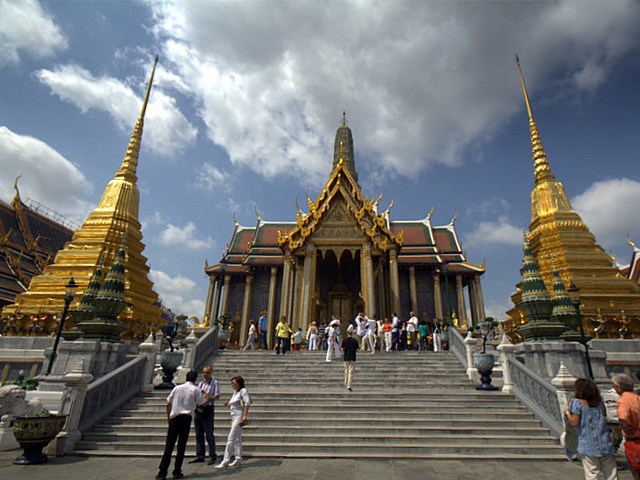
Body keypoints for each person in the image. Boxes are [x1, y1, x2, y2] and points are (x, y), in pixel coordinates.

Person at [564, 378, 618, 480]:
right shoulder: (600, 403)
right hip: (604, 442)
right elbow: (604, 415)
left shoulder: (577, 403)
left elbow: (574, 422)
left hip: (588, 442)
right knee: (611, 474)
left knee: (592, 474)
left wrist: (567, 412)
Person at [157, 370, 206, 480]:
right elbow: (203, 403)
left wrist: (169, 417)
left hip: (174, 418)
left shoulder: (177, 388)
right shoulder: (195, 389)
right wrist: (205, 395)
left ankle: (162, 472)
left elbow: (168, 402)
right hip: (185, 419)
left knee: (169, 446)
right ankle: (177, 471)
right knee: (181, 446)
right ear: (195, 379)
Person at [216, 376, 251, 469]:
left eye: (233, 383)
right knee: (237, 438)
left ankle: (225, 461)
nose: (232, 385)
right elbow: (235, 406)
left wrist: (244, 415)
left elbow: (247, 403)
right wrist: (228, 404)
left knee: (231, 438)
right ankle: (238, 458)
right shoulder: (235, 393)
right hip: (234, 416)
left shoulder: (243, 391)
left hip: (239, 417)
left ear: (238, 383)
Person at [189, 365, 220, 466]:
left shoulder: (215, 383)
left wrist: (207, 398)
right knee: (199, 433)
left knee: (209, 433)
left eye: (207, 372)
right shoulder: (201, 383)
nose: (205, 374)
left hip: (208, 409)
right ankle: (200, 454)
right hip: (199, 409)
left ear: (211, 373)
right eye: (204, 372)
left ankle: (212, 455)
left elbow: (217, 396)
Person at [613, 373, 640, 479]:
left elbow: (623, 417)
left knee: (636, 470)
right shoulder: (637, 398)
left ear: (619, 388)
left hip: (634, 440)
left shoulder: (623, 401)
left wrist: (627, 429)